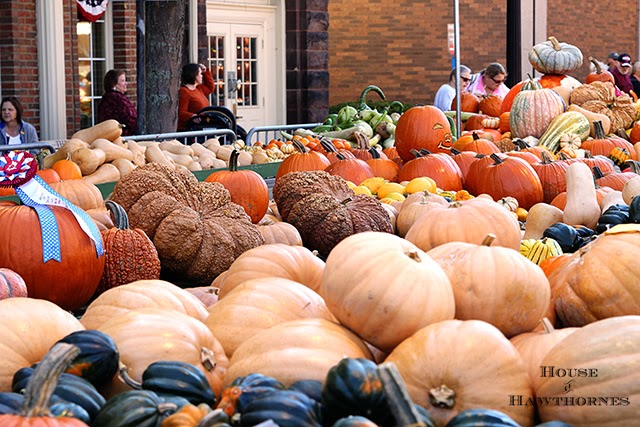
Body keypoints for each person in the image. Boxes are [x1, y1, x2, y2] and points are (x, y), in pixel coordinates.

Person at [97, 69, 138, 136]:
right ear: (114, 84)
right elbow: (130, 118)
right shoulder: (117, 99)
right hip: (122, 137)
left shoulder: (108, 97)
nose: (126, 83)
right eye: (122, 81)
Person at [178, 63, 215, 131]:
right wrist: (192, 116)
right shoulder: (184, 91)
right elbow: (181, 112)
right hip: (190, 129)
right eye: (200, 74)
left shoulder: (198, 88)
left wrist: (205, 71)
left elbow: (210, 87)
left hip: (202, 126)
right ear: (194, 75)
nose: (202, 76)